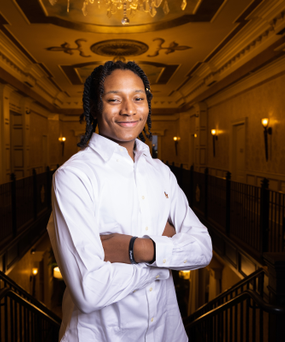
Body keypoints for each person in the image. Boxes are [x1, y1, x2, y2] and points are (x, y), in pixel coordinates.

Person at [47, 60, 212, 342]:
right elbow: (90, 291)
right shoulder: (74, 176)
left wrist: (136, 249)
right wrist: (164, 260)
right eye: (114, 99)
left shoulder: (161, 172)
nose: (129, 109)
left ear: (147, 104)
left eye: (138, 98)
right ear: (95, 106)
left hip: (166, 333)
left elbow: (203, 249)